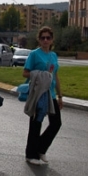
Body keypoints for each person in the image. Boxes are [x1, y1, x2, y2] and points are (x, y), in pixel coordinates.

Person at [22, 26, 63, 165]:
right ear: (39, 40)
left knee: (56, 123)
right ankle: (30, 154)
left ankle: (40, 149)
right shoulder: (34, 54)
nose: (45, 40)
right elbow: (25, 72)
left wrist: (60, 96)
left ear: (52, 40)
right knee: (36, 123)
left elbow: (55, 75)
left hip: (50, 94)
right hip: (39, 93)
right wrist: (38, 74)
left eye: (48, 38)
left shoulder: (53, 55)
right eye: (43, 38)